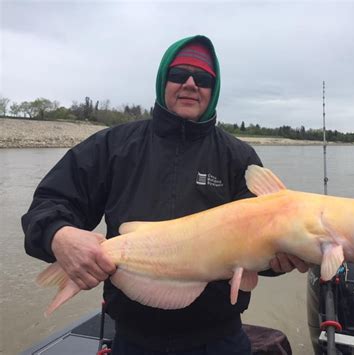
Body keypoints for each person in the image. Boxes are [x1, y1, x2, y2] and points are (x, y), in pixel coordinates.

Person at [22, 35, 309, 355]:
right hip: (134, 340)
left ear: (214, 89)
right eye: (178, 74)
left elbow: (259, 254)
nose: (189, 84)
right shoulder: (114, 146)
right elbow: (49, 203)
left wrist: (280, 259)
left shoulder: (238, 158)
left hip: (219, 340)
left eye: (202, 78)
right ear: (163, 81)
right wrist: (59, 236)